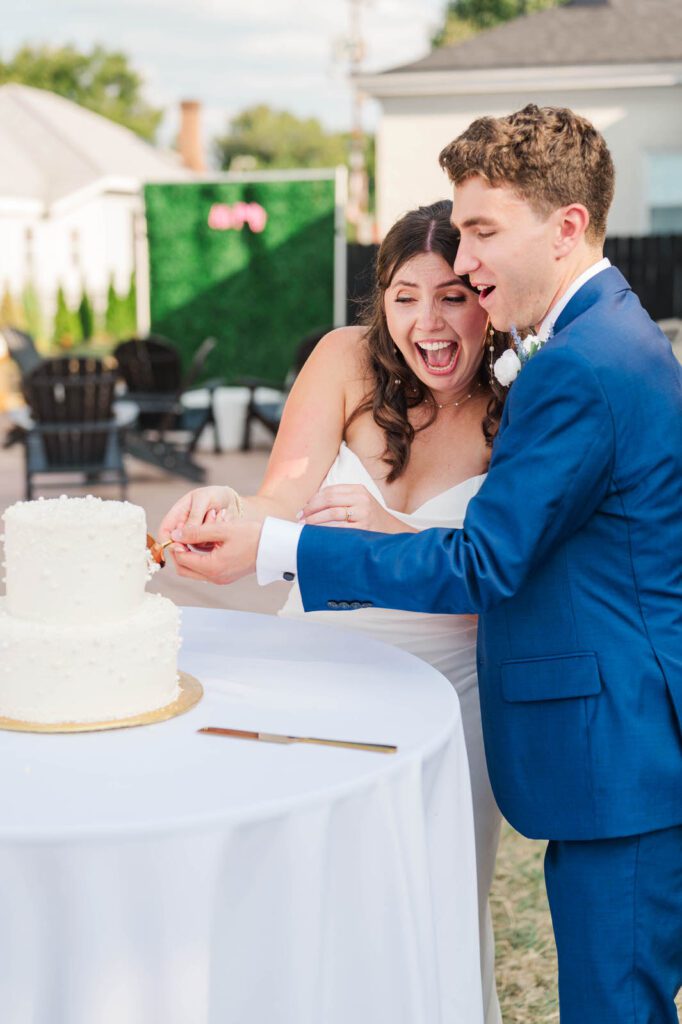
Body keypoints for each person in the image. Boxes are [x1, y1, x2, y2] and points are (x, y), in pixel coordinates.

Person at [165, 105, 682, 1023]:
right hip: (610, 750)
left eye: (482, 233)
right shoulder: (601, 338)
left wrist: (281, 549)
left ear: (566, 227)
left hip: (619, 751)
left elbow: (487, 563)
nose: (468, 265)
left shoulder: (579, 365)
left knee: (612, 1006)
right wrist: (254, 520)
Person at [160, 200, 510, 1024]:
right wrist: (228, 508)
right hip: (311, 668)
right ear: (381, 303)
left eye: (454, 295)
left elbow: (499, 570)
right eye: (404, 297)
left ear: (487, 297)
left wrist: (396, 534)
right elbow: (280, 495)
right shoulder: (345, 358)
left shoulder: (521, 393)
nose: (429, 322)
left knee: (432, 899)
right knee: (301, 893)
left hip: (453, 692)